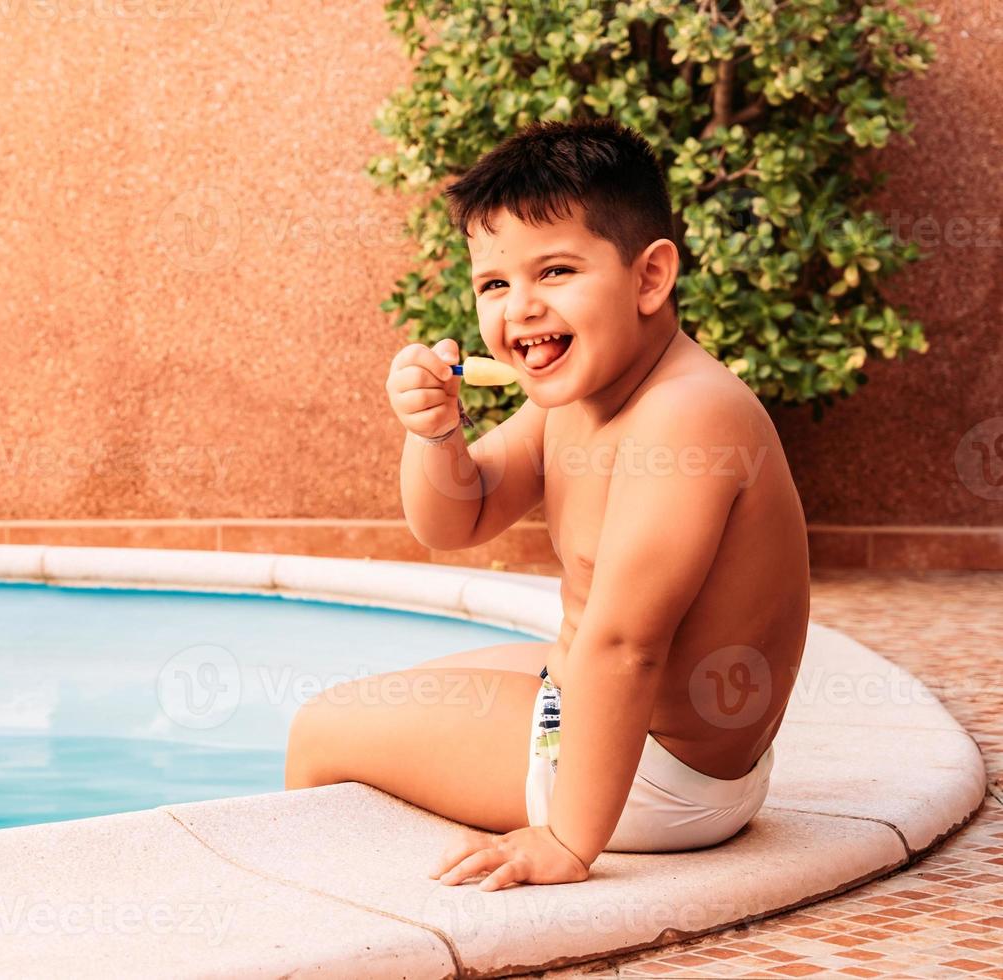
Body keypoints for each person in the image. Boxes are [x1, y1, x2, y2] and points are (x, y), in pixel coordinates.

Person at [283, 118, 810, 890]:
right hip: (669, 757)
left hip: (657, 781)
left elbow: (627, 645)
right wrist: (435, 437)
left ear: (650, 277)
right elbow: (456, 520)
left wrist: (565, 838)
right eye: (495, 284)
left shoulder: (687, 415)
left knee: (321, 727)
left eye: (555, 272)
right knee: (412, 683)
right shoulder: (578, 398)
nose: (519, 308)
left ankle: (317, 912)